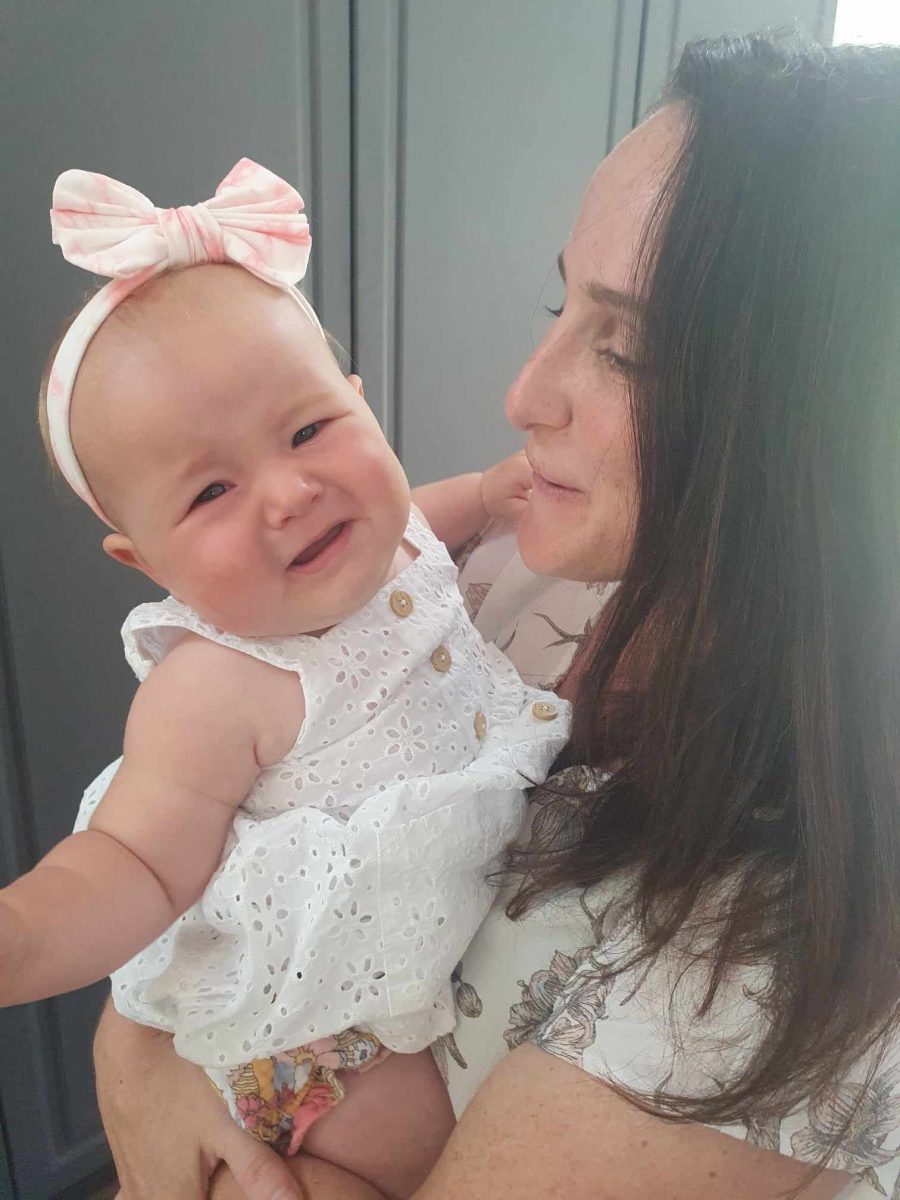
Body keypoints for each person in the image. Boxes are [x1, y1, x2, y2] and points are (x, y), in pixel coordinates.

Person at [92, 32, 900, 1200]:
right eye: (559, 302)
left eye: (622, 348)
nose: (522, 395)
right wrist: (138, 1052)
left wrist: (149, 1065)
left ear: (815, 419)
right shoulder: (507, 575)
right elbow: (191, 844)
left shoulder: (778, 936)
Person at [0, 162, 570, 1199]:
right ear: (147, 564)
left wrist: (487, 494)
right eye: (212, 490)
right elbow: (133, 862)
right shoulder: (219, 687)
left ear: (361, 409)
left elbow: (418, 516)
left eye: (311, 431)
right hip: (333, 1049)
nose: (291, 491)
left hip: (457, 969)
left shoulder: (386, 534)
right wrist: (22, 936)